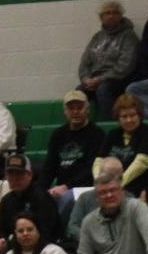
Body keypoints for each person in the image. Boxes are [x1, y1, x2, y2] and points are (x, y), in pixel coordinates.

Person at [103, 95, 148, 216]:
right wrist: (101, 183)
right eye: (124, 116)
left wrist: (115, 185)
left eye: (132, 115)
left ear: (139, 115)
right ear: (118, 118)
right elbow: (99, 161)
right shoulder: (113, 135)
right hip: (120, 188)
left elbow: (141, 163)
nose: (129, 120)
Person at [42, 91, 106, 221]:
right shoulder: (58, 135)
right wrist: (41, 191)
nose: (75, 112)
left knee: (65, 198)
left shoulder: (97, 134)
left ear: (87, 109)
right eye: (71, 108)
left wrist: (66, 186)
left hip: (86, 188)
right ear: (65, 111)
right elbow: (49, 167)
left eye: (79, 108)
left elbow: (91, 169)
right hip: (61, 188)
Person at [78, 0, 141, 120]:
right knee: (78, 92)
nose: (111, 16)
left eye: (115, 12)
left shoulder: (129, 36)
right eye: (107, 13)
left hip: (119, 80)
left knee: (103, 89)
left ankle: (108, 124)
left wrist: (99, 79)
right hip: (95, 81)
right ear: (101, 17)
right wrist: (86, 79)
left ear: (120, 16)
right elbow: (84, 63)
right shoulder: (97, 37)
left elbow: (125, 67)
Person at [0, 151, 62, 254]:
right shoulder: (6, 201)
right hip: (15, 249)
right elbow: (0, 229)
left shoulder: (43, 198)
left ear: (30, 175)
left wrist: (9, 244)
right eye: (11, 173)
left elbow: (45, 232)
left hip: (44, 249)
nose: (15, 178)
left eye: (19, 173)